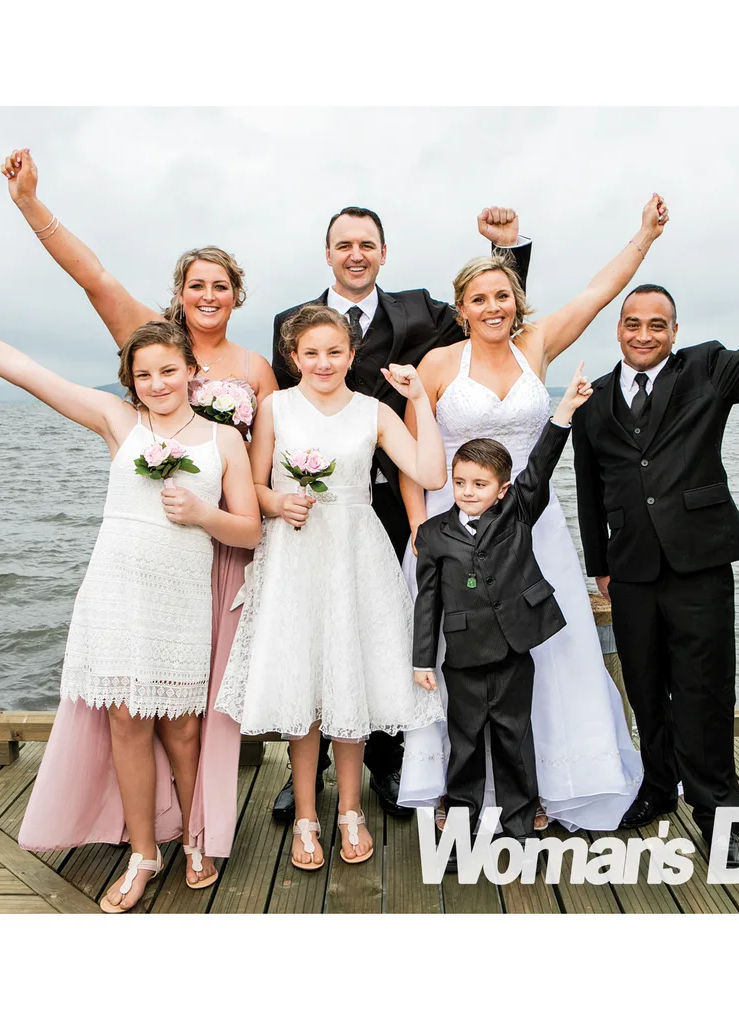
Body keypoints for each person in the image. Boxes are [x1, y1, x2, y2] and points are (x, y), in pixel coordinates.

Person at [0, 273, 261, 911]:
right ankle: (144, 853)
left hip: (180, 599)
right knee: (126, 721)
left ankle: (195, 836)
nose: (157, 384)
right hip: (114, 593)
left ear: (191, 371)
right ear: (130, 381)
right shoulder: (119, 421)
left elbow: (249, 531)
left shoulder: (223, 439)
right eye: (144, 375)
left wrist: (204, 515)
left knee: (182, 727)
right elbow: (25, 371)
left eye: (168, 371)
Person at [0, 147, 277, 875]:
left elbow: (267, 459)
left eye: (220, 286)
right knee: (136, 704)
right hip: (154, 547)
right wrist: (31, 205)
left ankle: (202, 827)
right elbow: (90, 275)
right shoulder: (151, 343)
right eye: (195, 285)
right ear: (177, 295)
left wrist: (269, 511)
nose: (208, 296)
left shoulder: (256, 368)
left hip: (222, 544)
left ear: (237, 295)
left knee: (202, 711)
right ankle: (142, 831)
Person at [572, 211, 739, 868]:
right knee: (645, 688)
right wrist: (600, 564)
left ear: (675, 332)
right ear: (619, 329)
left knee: (704, 691)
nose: (644, 334)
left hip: (699, 562)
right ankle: (657, 787)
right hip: (630, 570)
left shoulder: (708, 369)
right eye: (633, 324)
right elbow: (589, 489)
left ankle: (717, 813)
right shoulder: (593, 400)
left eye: (657, 325)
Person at [399, 195, 669, 831]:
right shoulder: (438, 364)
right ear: (462, 309)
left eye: (503, 296)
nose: (493, 307)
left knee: (550, 649)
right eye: (480, 299)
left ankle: (546, 781)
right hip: (455, 524)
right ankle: (458, 788)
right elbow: (415, 460)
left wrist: (645, 237)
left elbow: (600, 293)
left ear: (516, 302)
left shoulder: (537, 346)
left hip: (531, 524)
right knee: (457, 656)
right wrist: (419, 531)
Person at [269, 204, 531, 820]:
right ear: (327, 254)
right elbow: (287, 409)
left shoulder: (420, 312)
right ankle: (309, 769)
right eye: (343, 244)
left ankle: (386, 761)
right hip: (314, 505)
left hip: (391, 496)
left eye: (367, 244)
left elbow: (491, 312)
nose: (355, 254)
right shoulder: (291, 323)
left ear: (383, 253)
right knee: (311, 633)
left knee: (380, 628)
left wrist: (506, 251)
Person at [215, 305, 446, 869]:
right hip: (295, 555)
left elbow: (433, 474)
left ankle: (349, 809)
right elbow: (254, 485)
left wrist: (419, 400)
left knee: (349, 679)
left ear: (352, 354)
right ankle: (306, 816)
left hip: (355, 554)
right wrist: (278, 502)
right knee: (305, 684)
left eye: (335, 352)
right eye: (311, 353)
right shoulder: (276, 407)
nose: (324, 362)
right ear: (294, 357)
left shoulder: (374, 412)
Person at [413, 363, 593, 850]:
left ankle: (519, 829)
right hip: (464, 656)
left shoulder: (518, 513)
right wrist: (422, 661)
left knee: (515, 738)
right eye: (461, 482)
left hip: (515, 648)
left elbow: (541, 464)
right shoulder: (432, 535)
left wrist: (564, 412)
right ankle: (460, 828)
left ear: (503, 489)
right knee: (466, 741)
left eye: (480, 484)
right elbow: (427, 601)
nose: (468, 492)